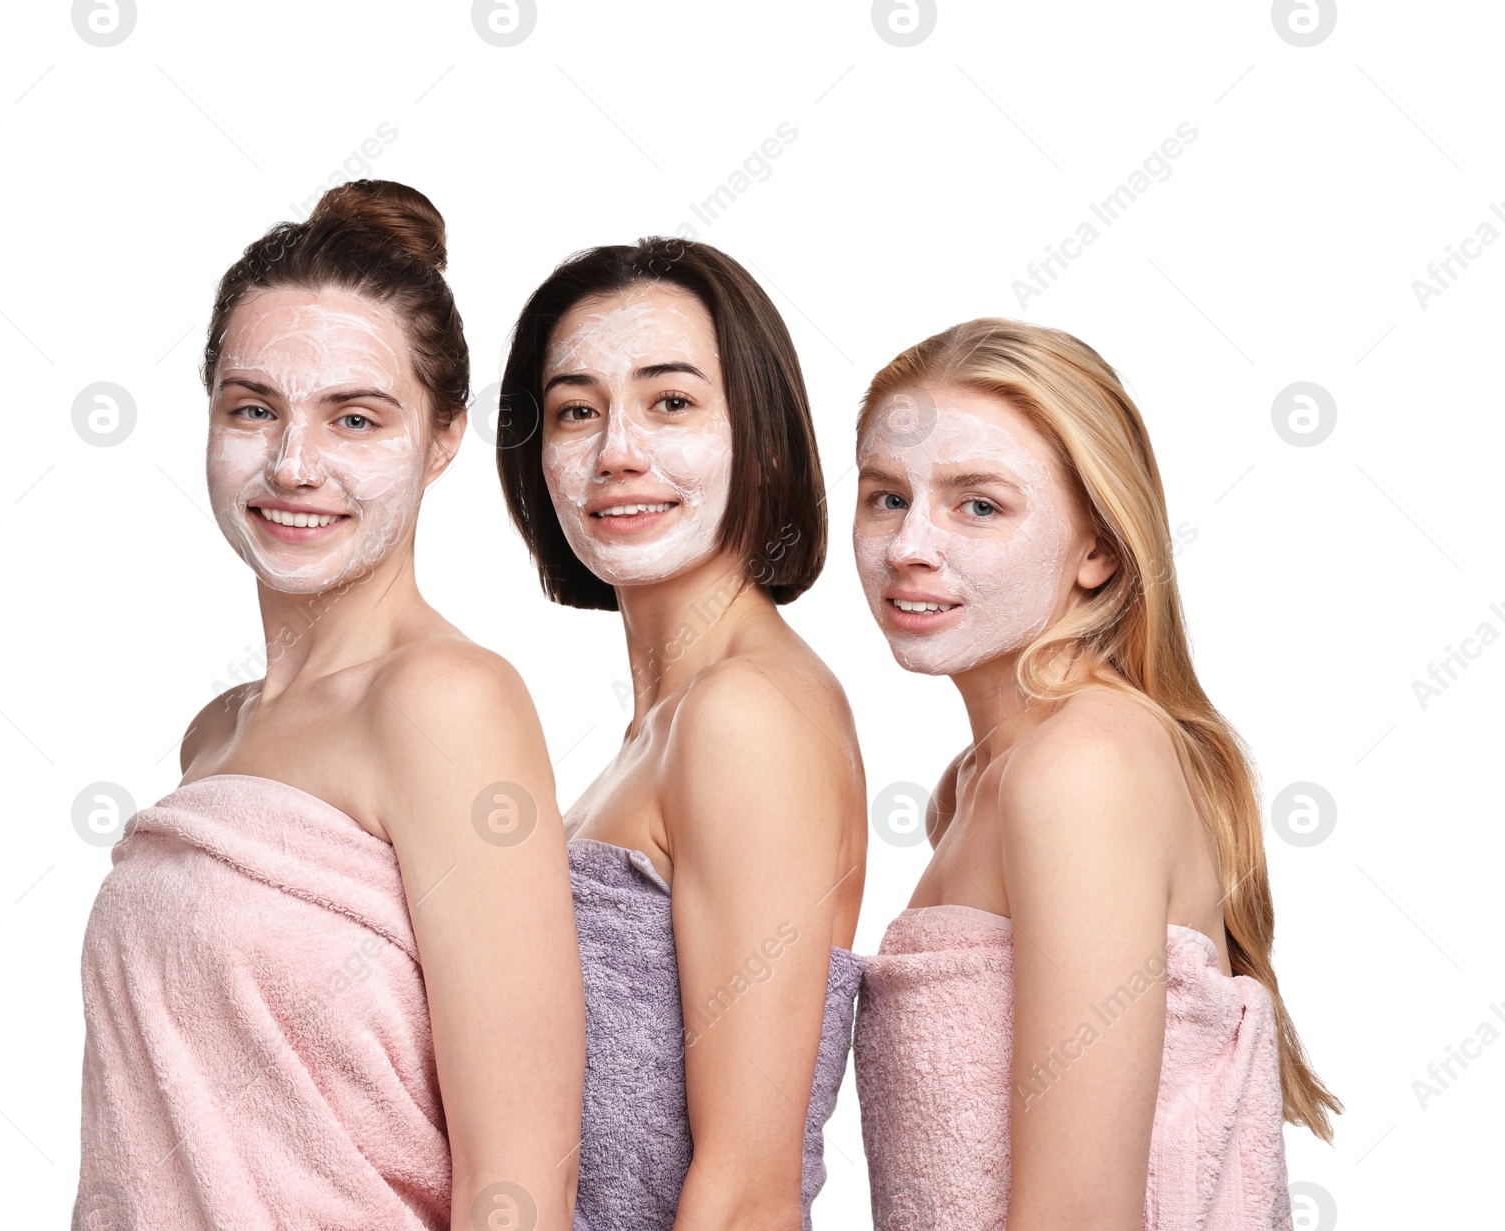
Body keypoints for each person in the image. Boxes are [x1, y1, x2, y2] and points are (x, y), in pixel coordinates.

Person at [74, 180, 585, 1231]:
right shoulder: (216, 734)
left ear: (443, 439)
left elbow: (522, 1188)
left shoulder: (447, 704)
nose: (293, 464)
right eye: (253, 408)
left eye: (355, 417)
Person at [849, 318, 1340, 1230]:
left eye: (979, 504)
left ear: (1098, 550)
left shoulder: (1081, 769)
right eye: (885, 496)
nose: (908, 543)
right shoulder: (972, 786)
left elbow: (1079, 1215)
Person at [495, 236, 868, 1231]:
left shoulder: (744, 716)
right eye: (576, 410)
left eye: (671, 401)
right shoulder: (654, 733)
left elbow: (751, 1194)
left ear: (769, 440)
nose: (617, 449)